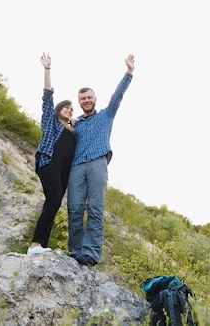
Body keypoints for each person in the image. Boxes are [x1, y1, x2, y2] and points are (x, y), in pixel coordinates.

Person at [67, 54, 135, 267]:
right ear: (79, 102)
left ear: (94, 99)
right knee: (75, 208)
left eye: (89, 97)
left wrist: (129, 72)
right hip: (76, 166)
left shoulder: (106, 115)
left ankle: (90, 254)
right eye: (82, 99)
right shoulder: (75, 124)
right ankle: (76, 250)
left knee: (95, 208)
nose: (86, 100)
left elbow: (118, 96)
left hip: (97, 163)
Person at [27, 53, 77, 256]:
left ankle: (41, 245)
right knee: (54, 199)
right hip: (49, 162)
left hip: (64, 171)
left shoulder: (74, 130)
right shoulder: (51, 121)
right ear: (58, 110)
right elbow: (47, 95)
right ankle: (35, 245)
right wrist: (47, 69)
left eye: (72, 109)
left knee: (53, 203)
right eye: (66, 107)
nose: (70, 109)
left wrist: (75, 125)